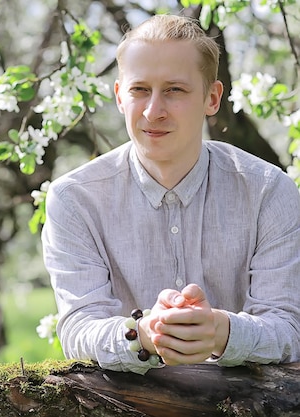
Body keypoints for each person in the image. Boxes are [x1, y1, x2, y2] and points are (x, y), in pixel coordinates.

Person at [41, 14, 300, 375]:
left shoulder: (269, 192)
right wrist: (143, 335)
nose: (153, 111)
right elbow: (78, 327)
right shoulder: (75, 200)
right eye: (139, 90)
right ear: (119, 96)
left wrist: (222, 332)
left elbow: (288, 327)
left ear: (212, 98)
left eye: (174, 90)